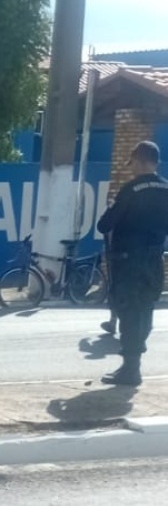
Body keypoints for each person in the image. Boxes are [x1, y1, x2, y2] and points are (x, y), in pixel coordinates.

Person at [96, 140, 168, 386]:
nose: (132, 168)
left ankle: (131, 369)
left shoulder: (131, 189)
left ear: (140, 160)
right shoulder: (166, 189)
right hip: (154, 261)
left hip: (129, 263)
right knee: (145, 309)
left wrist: (111, 209)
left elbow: (104, 225)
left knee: (128, 312)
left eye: (133, 162)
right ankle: (134, 364)